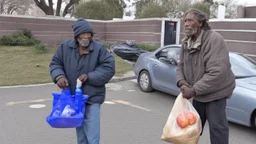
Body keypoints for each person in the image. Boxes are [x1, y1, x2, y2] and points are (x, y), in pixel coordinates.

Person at [49, 18, 115, 144]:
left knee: (93, 137)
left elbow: (109, 68)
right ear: (76, 35)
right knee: (81, 136)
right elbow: (55, 64)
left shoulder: (99, 49)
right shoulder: (65, 47)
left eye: (88, 34)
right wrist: (59, 76)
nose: (86, 37)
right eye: (83, 34)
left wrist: (90, 76)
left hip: (92, 98)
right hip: (75, 100)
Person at [176, 9, 236, 144]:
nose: (186, 24)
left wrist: (193, 89)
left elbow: (217, 72)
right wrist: (182, 82)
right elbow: (180, 65)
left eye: (190, 20)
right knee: (191, 129)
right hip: (198, 93)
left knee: (217, 130)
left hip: (216, 94)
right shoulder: (186, 42)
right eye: (185, 21)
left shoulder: (214, 39)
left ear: (200, 23)